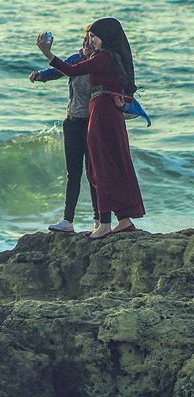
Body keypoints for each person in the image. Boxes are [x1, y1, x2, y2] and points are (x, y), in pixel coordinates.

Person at [37, 17, 145, 239]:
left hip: (102, 113)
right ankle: (123, 220)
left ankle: (104, 224)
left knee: (99, 168)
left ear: (105, 37)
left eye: (94, 36)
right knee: (108, 165)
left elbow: (72, 70)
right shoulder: (113, 57)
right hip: (105, 111)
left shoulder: (104, 57)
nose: (90, 40)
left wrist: (47, 53)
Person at [30, 29, 99, 233]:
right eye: (85, 39)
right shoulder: (75, 59)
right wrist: (40, 75)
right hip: (73, 122)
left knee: (93, 173)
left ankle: (99, 221)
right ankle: (67, 221)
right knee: (73, 173)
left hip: (93, 123)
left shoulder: (99, 63)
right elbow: (58, 70)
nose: (87, 43)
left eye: (91, 40)